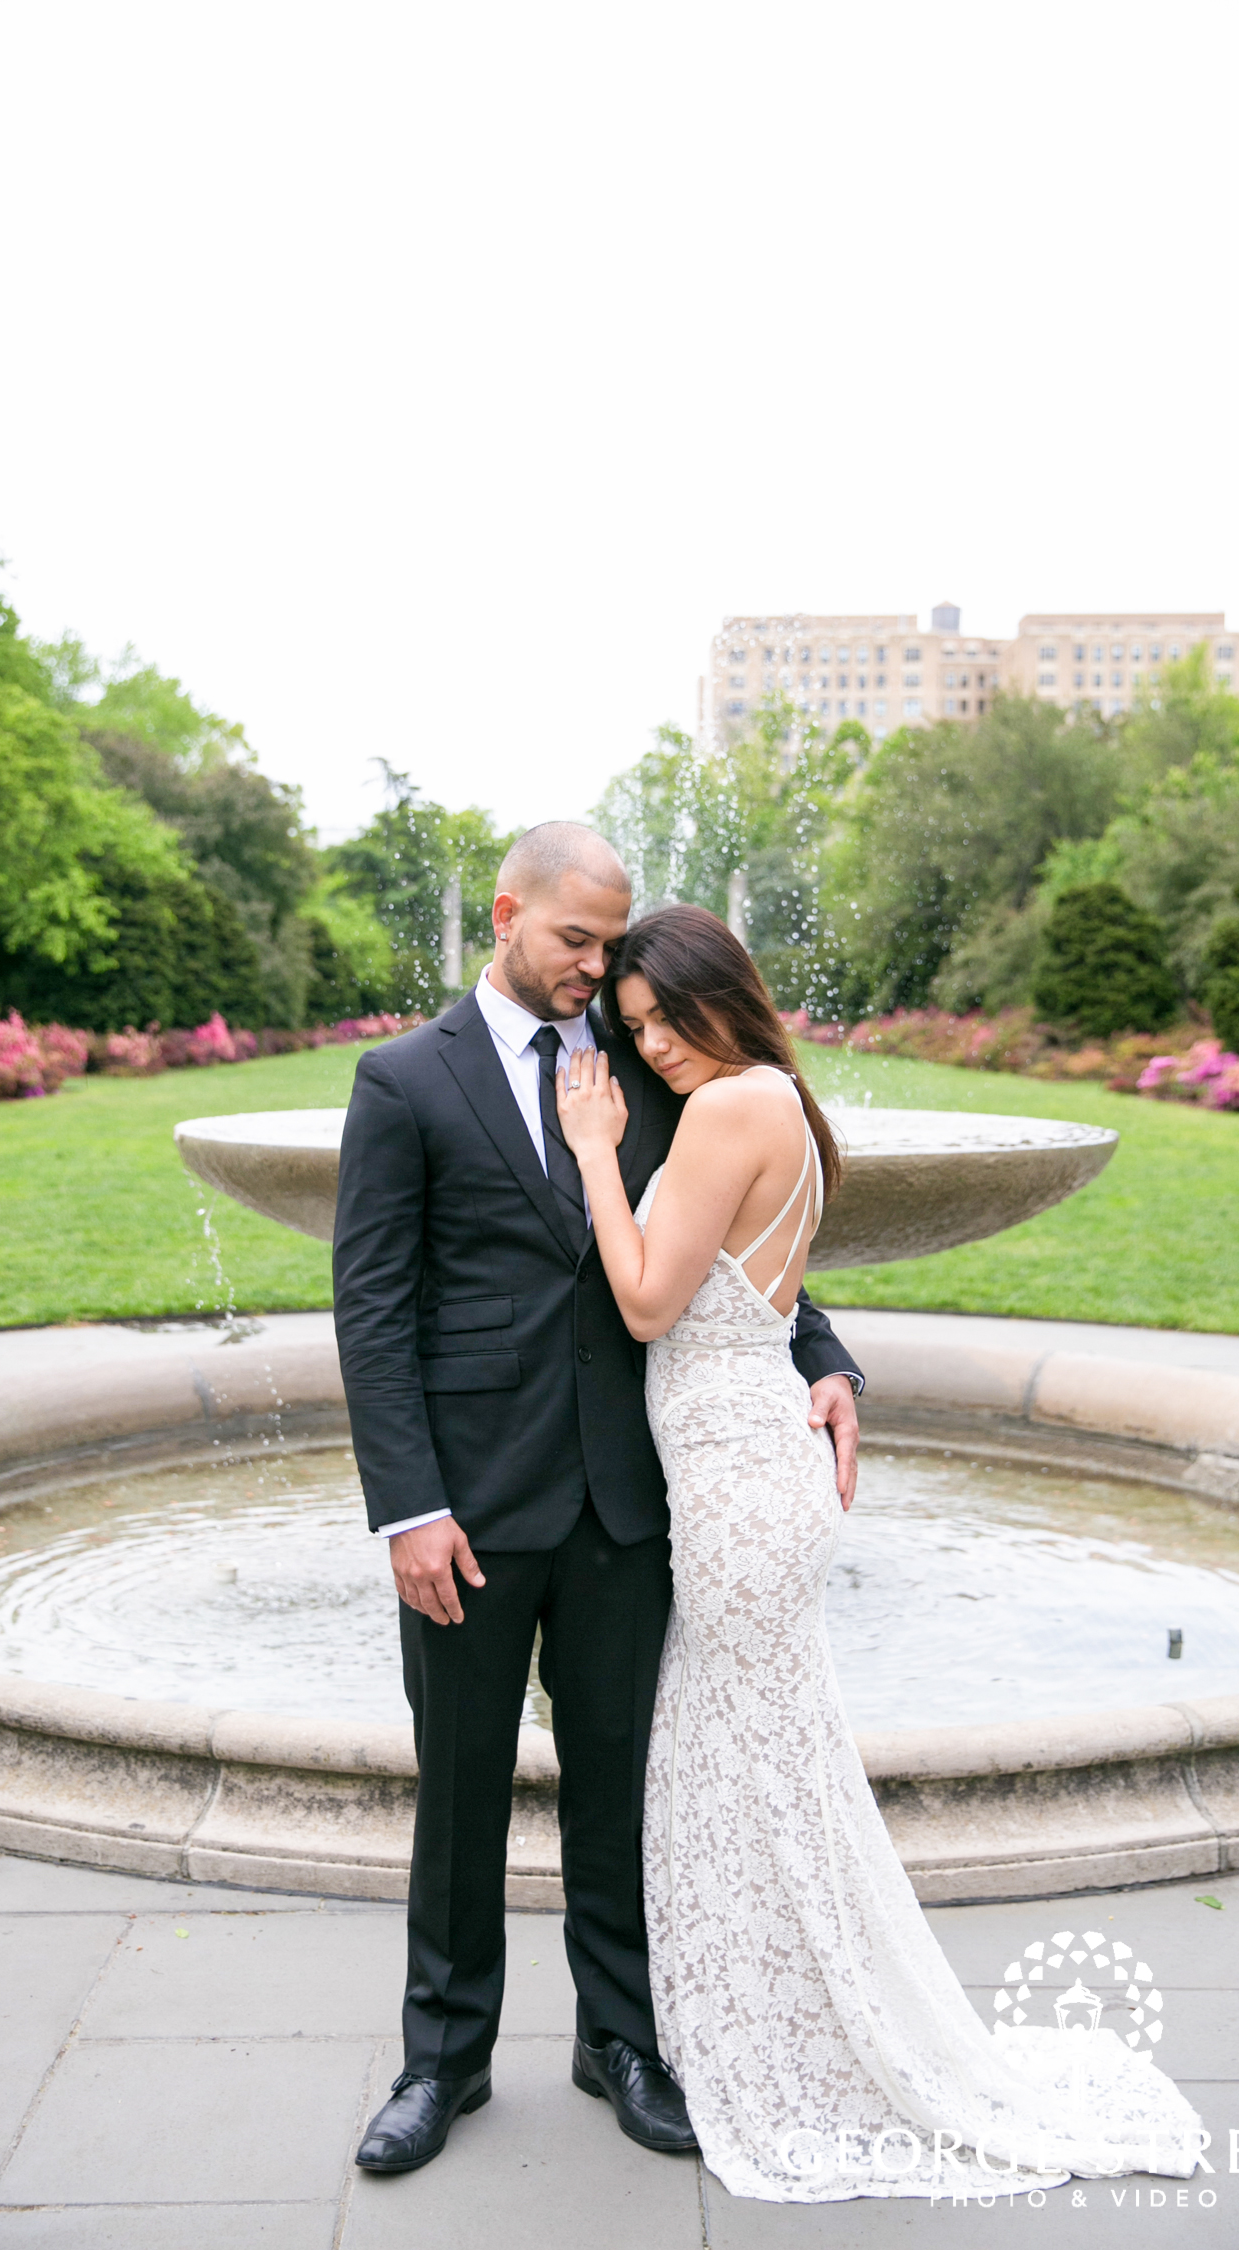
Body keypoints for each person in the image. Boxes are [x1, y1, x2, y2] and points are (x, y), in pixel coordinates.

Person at [553, 900, 1206, 2204]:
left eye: (667, 1019)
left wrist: (588, 1148)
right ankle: (765, 2005)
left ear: (721, 996)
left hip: (738, 1486)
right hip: (748, 1470)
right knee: (762, 1755)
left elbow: (642, 1298)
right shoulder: (780, 1103)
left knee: (734, 1760)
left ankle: (784, 2024)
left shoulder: (731, 1107)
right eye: (635, 1031)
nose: (655, 1048)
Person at [332, 826, 864, 2176]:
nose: (598, 964)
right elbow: (375, 1311)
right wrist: (409, 1509)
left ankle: (619, 2037)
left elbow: (733, 1246)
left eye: (611, 943)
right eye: (576, 939)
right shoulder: (404, 1082)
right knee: (458, 1789)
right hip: (474, 1507)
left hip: (634, 1505)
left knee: (622, 1785)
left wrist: (825, 1356)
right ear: (506, 915)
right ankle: (441, 2059)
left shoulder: (645, 1059)